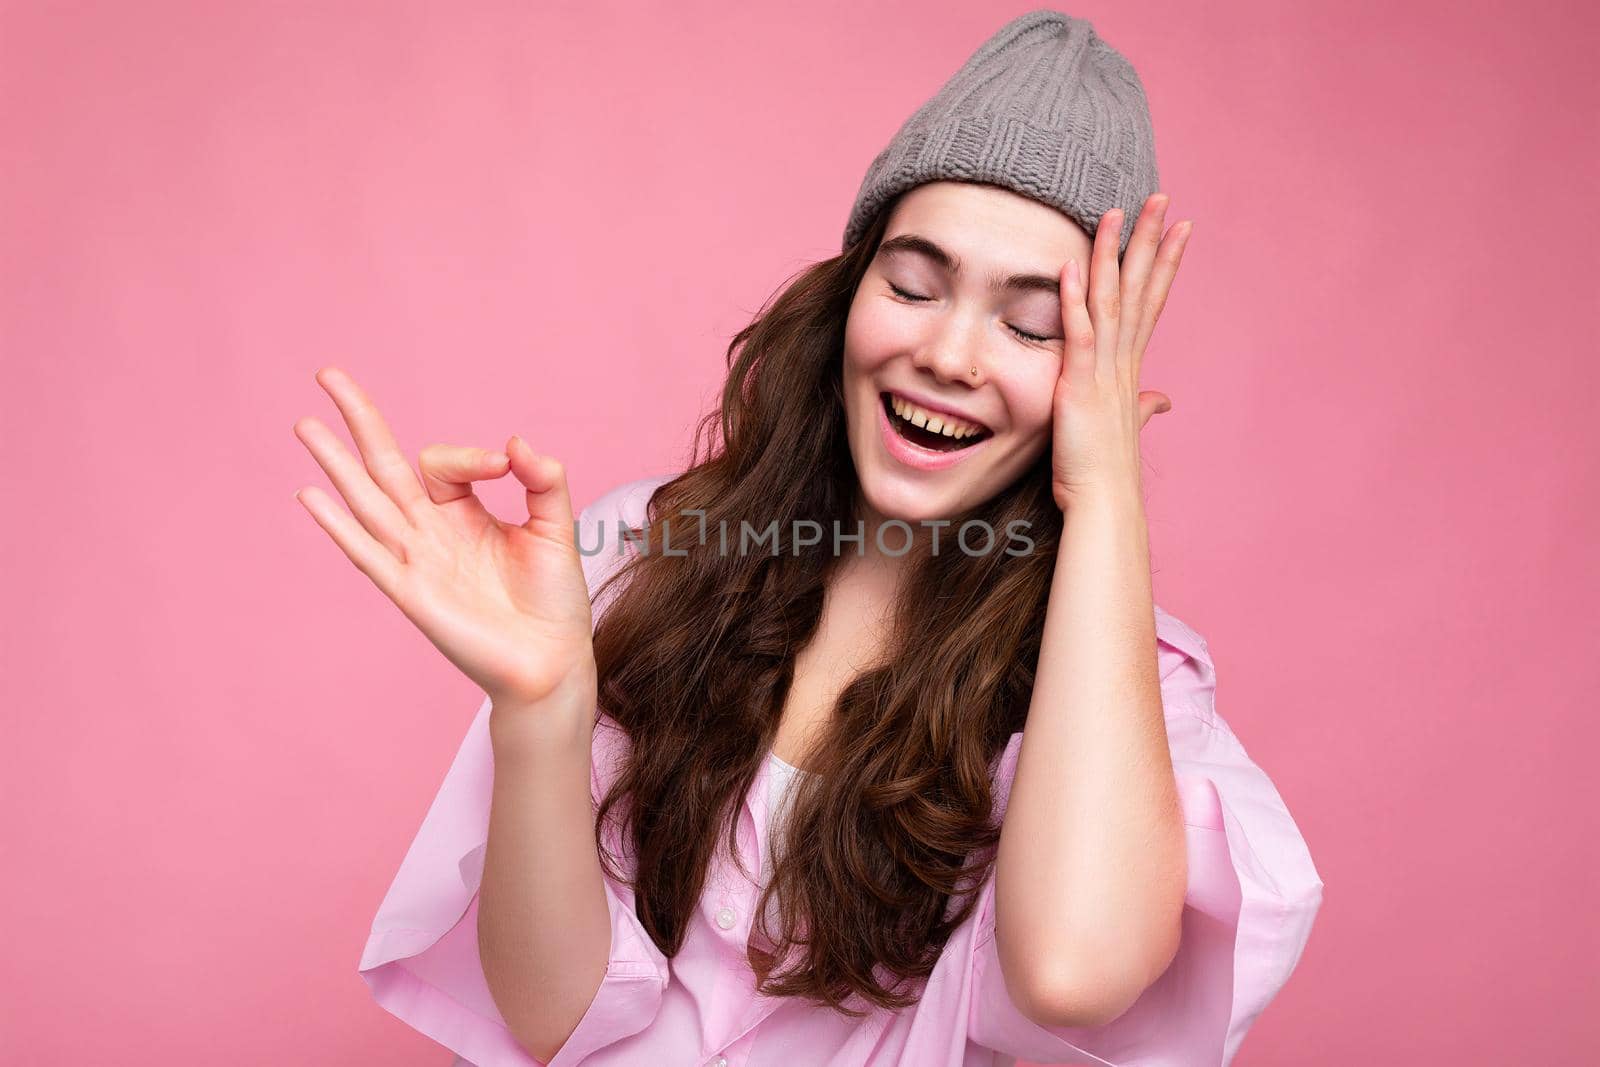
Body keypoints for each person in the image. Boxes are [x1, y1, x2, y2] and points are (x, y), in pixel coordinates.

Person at [293, 10, 1324, 1066]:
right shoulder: (650, 555)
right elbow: (552, 1016)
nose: (951, 353)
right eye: (913, 285)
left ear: (1094, 377)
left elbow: (1074, 970)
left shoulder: (1123, 684)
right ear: (848, 295)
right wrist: (539, 707)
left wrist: (1103, 489)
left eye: (1030, 325)